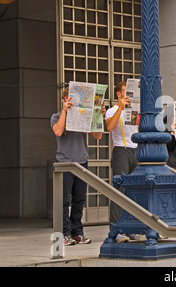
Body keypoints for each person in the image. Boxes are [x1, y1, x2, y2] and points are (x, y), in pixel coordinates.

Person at [51, 86, 104, 246]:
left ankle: (77, 232)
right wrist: (65, 111)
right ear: (65, 99)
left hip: (81, 161)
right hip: (65, 162)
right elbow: (58, 132)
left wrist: (97, 115)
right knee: (63, 200)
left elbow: (98, 136)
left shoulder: (82, 116)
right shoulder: (57, 116)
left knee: (79, 200)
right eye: (70, 98)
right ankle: (63, 234)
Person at [105, 81, 139, 243]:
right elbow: (110, 127)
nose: (128, 96)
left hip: (136, 150)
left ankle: (131, 227)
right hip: (121, 149)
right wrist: (120, 107)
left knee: (134, 191)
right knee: (120, 189)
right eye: (126, 92)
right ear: (119, 94)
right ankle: (116, 228)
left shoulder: (134, 110)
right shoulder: (112, 110)